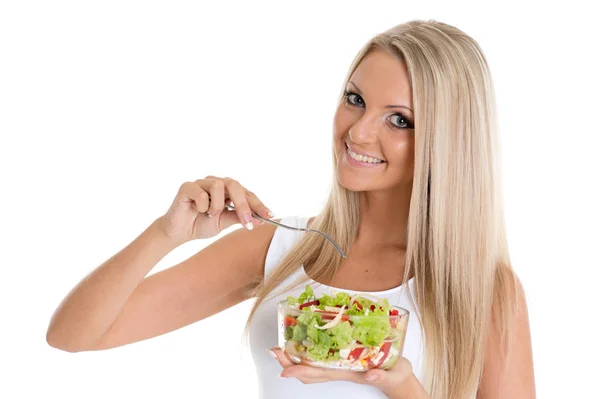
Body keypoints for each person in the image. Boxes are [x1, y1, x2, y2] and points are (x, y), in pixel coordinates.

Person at [46, 19, 535, 399]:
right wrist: (164, 234)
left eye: (399, 120)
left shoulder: (483, 290)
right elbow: (74, 335)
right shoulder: (280, 247)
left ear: (449, 142)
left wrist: (398, 383)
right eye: (355, 99)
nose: (359, 132)